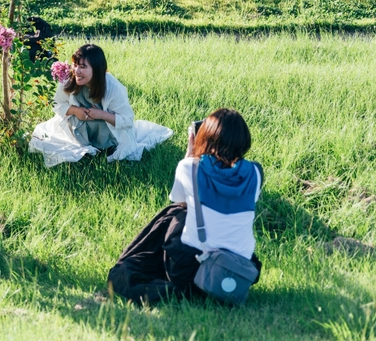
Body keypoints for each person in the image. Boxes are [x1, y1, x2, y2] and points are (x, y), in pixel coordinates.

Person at [107, 108, 263, 303]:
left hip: (190, 270)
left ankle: (154, 267)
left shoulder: (189, 167)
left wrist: (189, 154)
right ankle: (219, 288)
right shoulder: (255, 173)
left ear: (204, 137)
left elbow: (180, 202)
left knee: (175, 213)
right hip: (239, 270)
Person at [28, 44, 172, 167]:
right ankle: (85, 146)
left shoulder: (113, 88)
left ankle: (104, 147)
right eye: (75, 65)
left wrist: (101, 114)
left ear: (96, 69)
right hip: (78, 129)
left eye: (83, 67)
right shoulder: (69, 81)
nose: (77, 71)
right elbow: (57, 103)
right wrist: (75, 110)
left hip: (106, 132)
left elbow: (127, 120)